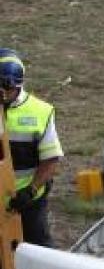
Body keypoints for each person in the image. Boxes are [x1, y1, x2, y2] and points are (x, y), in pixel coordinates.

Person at [1, 48, 63, 247]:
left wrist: (30, 191)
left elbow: (51, 160)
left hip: (27, 200)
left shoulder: (41, 112)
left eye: (5, 87)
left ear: (17, 85)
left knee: (38, 252)